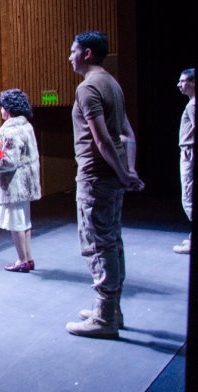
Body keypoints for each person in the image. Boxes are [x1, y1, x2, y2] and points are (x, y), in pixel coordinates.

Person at [64, 31, 144, 339]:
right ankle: (111, 309)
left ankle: (104, 317)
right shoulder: (113, 83)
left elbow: (103, 140)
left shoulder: (88, 87)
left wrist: (124, 174)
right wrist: (128, 170)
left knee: (97, 244)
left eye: (73, 51)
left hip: (96, 177)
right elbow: (128, 134)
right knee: (112, 240)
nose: (69, 57)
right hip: (111, 177)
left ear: (87, 53)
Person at [0, 89, 41, 273]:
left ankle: (22, 260)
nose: (1, 110)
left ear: (8, 109)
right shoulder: (26, 126)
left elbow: (8, 161)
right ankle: (28, 259)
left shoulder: (11, 131)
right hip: (26, 183)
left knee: (17, 223)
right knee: (25, 222)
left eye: (2, 107)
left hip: (15, 184)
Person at [173, 68, 194, 254]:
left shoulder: (193, 105)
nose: (179, 85)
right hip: (189, 152)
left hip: (190, 153)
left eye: (183, 81)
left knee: (189, 197)